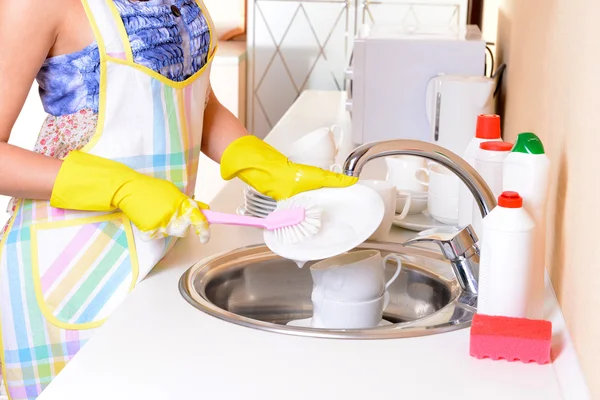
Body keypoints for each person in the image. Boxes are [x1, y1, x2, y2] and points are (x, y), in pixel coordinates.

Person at [0, 1, 357, 398]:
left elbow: (199, 104)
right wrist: (120, 186)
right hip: (74, 272)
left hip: (164, 257)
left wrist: (263, 165)